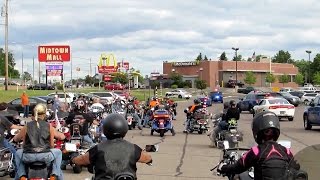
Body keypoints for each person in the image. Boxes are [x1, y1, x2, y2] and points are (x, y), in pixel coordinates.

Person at [71, 113, 152, 179]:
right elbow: (148, 158)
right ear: (124, 128)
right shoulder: (133, 148)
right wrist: (149, 160)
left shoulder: (98, 148)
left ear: (105, 129)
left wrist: (73, 158)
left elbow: (81, 160)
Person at [218, 111, 296, 179]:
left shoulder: (256, 151)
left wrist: (223, 167)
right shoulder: (286, 151)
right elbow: (296, 167)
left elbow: (238, 167)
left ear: (257, 131)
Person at [13, 103, 65, 180]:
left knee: (18, 153)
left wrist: (15, 139)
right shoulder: (48, 126)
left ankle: (22, 175)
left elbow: (23, 143)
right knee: (58, 152)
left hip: (28, 156)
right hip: (45, 156)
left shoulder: (27, 126)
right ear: (45, 114)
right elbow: (51, 144)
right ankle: (54, 174)